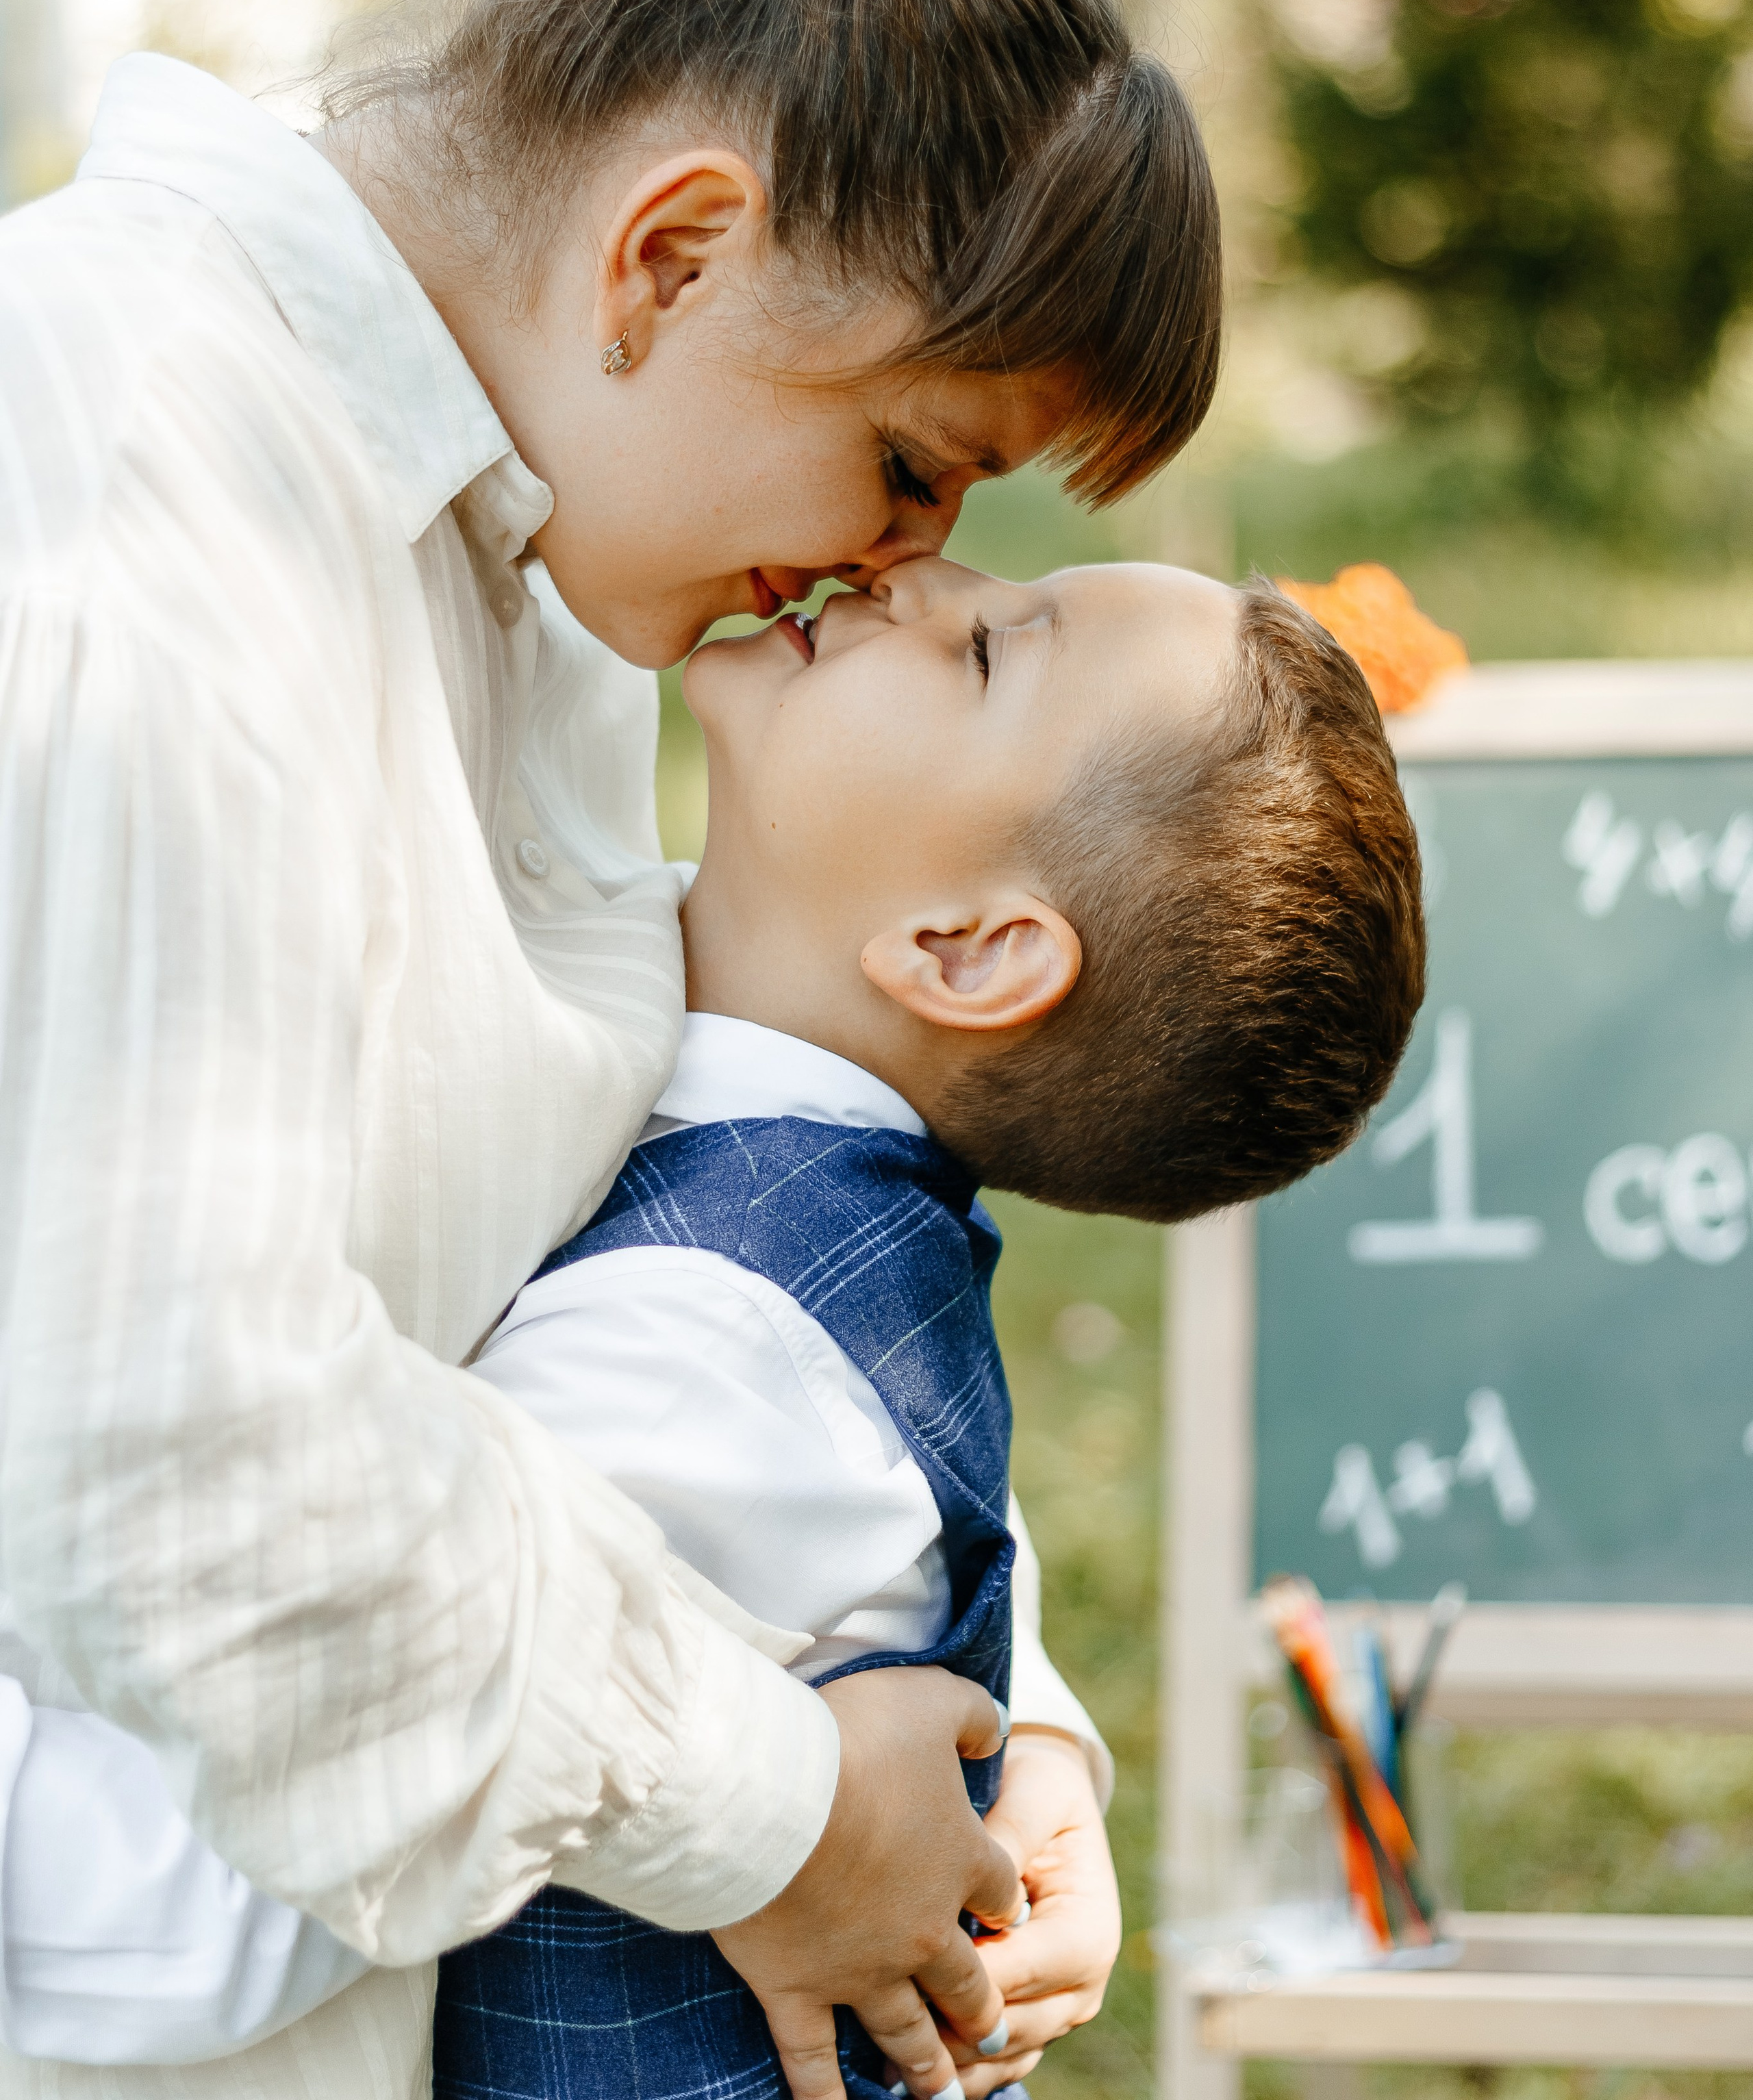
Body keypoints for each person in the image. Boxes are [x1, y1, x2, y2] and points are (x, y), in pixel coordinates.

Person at [0, 0, 1221, 2100]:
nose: (883, 573)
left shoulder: (518, 536)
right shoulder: (135, 490)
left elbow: (638, 1238)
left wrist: (974, 1711)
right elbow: (176, 1449)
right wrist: (776, 1810)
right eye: (907, 467)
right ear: (672, 258)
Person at [0, 555, 1423, 2100]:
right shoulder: (779, 1248)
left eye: (989, 651)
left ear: (963, 947)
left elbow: (202, 1893)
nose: (920, 574)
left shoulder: (695, 1346)